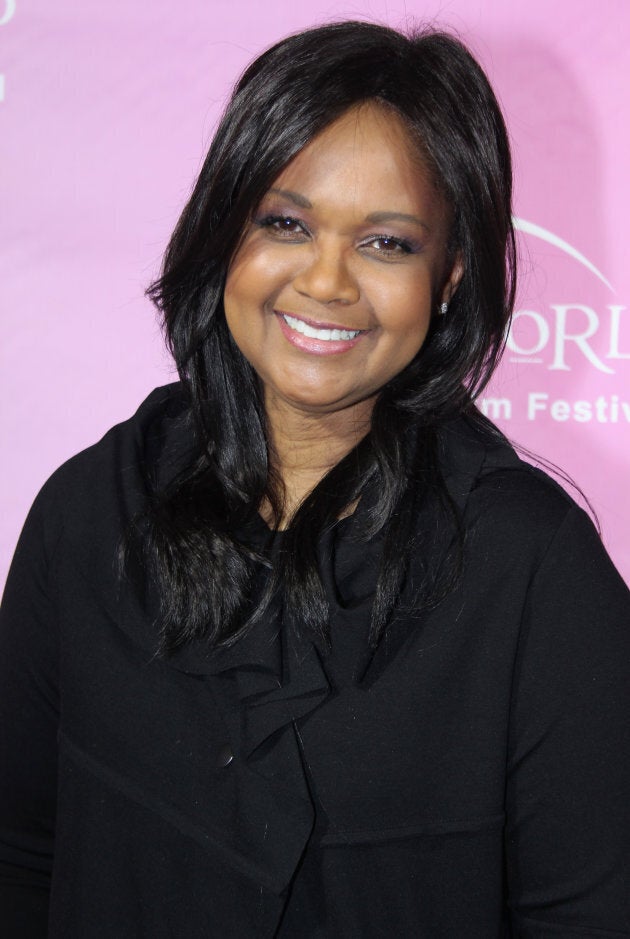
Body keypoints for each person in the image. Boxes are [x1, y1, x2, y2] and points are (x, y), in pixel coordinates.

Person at [1, 19, 629, 938]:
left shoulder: (537, 576)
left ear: (450, 275)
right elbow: (20, 857)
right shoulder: (90, 512)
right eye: (286, 223)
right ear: (225, 233)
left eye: (387, 243)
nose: (327, 281)